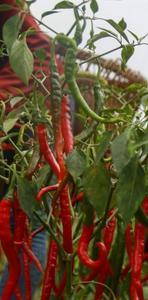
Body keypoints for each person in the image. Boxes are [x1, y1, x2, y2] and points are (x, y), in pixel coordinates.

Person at [0, 0, 58, 297]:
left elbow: (43, 57)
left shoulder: (11, 12)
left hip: (18, 126)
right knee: (27, 229)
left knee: (27, 229)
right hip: (22, 122)